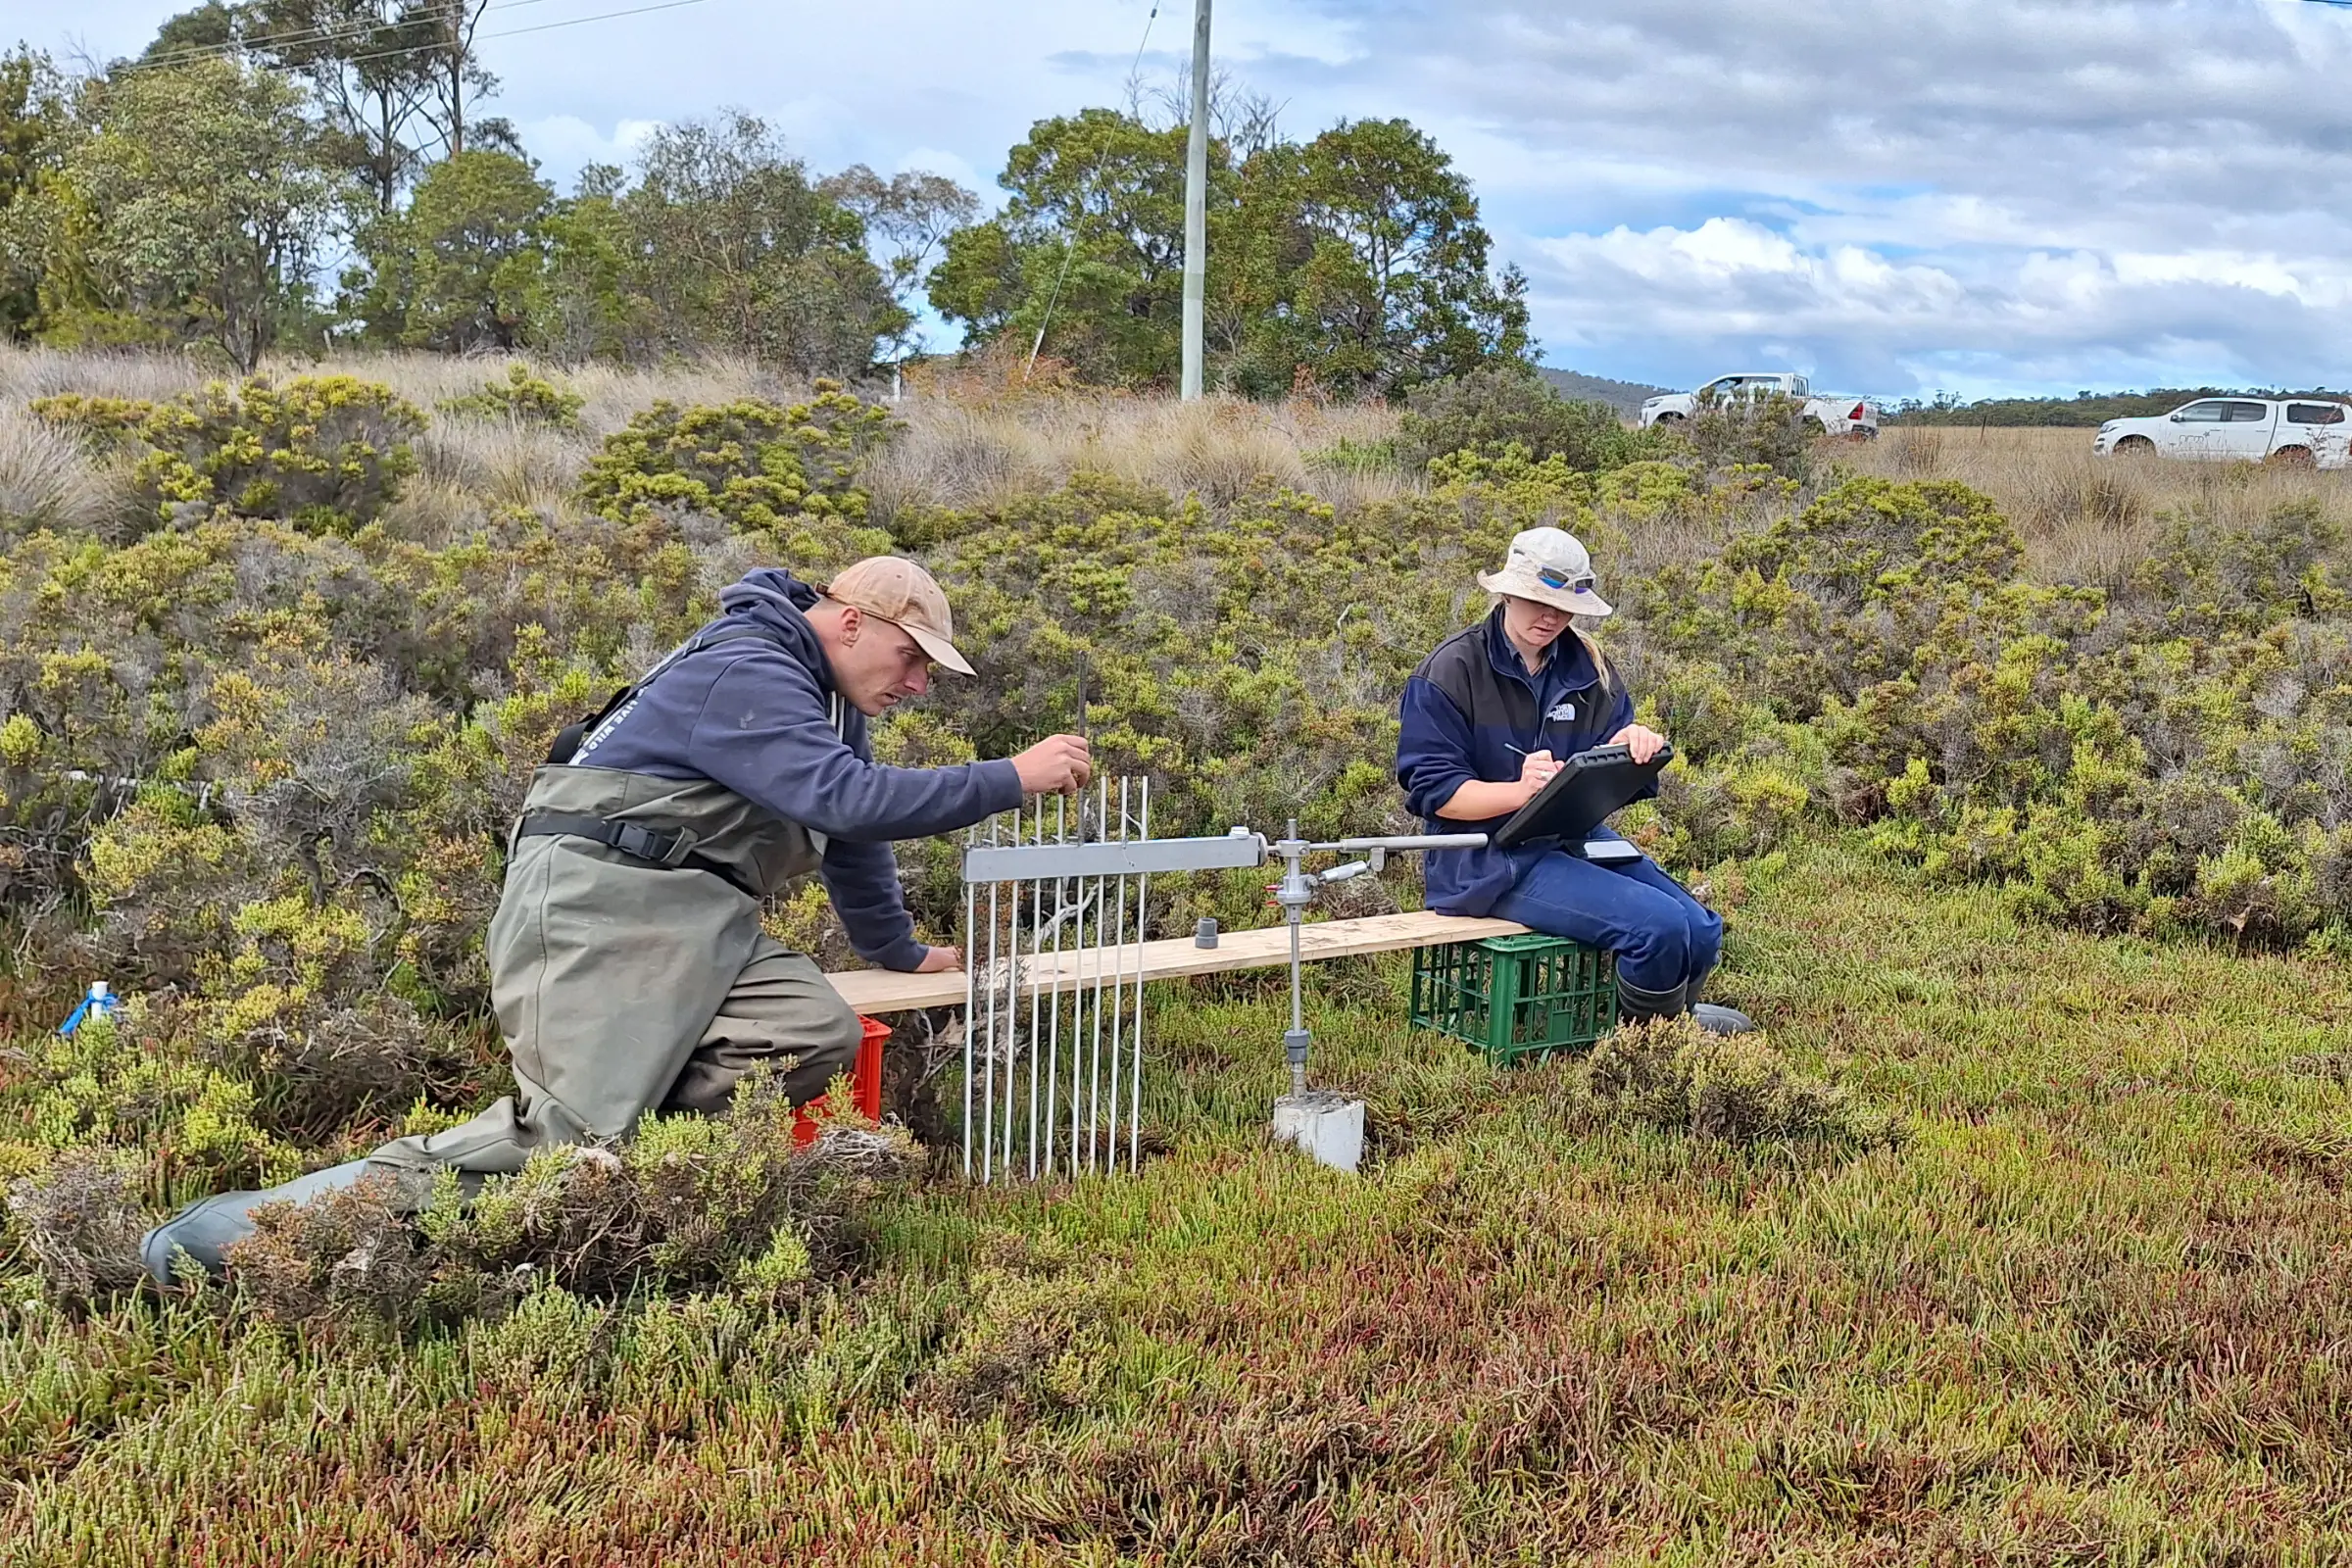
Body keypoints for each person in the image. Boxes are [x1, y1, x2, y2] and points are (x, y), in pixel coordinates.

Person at [143, 558, 1090, 1280]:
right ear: (850, 621)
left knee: (812, 1032)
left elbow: (849, 833)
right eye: (912, 658)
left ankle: (619, 1150)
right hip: (596, 905)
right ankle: (239, 1236)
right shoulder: (750, 668)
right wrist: (1012, 778)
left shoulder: (825, 699)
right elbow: (845, 802)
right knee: (558, 1135)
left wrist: (898, 950)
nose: (919, 683)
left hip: (697, 914)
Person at [1396, 527, 1752, 1034]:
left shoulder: (1587, 663)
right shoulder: (1451, 670)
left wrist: (1631, 743)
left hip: (1570, 837)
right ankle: (1646, 1047)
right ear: (1506, 593)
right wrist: (1520, 792)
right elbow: (1437, 794)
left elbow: (1610, 738)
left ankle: (1670, 1022)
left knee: (1701, 927)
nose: (1552, 617)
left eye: (1564, 607)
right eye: (1539, 601)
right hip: (1487, 857)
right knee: (1659, 927)